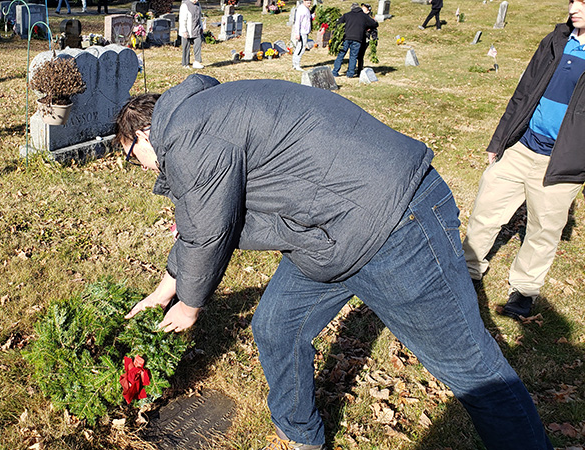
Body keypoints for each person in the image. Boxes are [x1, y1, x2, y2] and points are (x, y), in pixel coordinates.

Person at [117, 74, 552, 450]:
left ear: (142, 134)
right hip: (331, 232)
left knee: (472, 369)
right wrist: (166, 288)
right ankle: (302, 434)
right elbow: (203, 218)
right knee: (276, 326)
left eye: (130, 156)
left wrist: (189, 304)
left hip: (394, 222)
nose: (140, 168)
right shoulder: (204, 116)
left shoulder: (188, 134)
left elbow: (208, 229)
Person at [463, 0, 585, 320]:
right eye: (573, 0)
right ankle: (468, 269)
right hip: (522, 147)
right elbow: (523, 92)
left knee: (543, 229)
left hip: (561, 164)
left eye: (583, 2)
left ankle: (525, 289)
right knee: (486, 209)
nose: (574, 7)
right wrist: (500, 140)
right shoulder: (556, 40)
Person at [332, 3, 378, 78]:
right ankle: (350, 74)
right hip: (358, 39)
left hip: (346, 38)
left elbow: (338, 23)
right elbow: (374, 24)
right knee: (353, 56)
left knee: (341, 54)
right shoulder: (364, 16)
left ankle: (335, 72)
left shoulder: (347, 15)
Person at [179, 0, 204, 69]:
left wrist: (201, 27)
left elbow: (199, 18)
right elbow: (182, 19)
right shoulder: (185, 5)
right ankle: (185, 63)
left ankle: (197, 62)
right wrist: (184, 31)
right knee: (186, 47)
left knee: (198, 44)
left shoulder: (198, 5)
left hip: (196, 29)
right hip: (187, 30)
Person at [291, 0, 312, 71]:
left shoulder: (306, 9)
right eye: (308, 3)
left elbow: (306, 19)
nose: (309, 4)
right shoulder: (301, 9)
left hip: (305, 31)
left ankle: (295, 63)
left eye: (310, 3)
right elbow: (298, 22)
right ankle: (296, 64)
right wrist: (297, 33)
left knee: (300, 48)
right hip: (302, 32)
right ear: (304, 1)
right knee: (301, 49)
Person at [356, 3, 376, 75]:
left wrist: (374, 37)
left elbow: (374, 28)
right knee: (356, 54)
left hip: (364, 38)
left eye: (364, 8)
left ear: (368, 10)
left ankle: (359, 69)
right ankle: (355, 68)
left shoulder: (369, 18)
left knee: (360, 55)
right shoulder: (359, 16)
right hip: (357, 37)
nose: (362, 9)